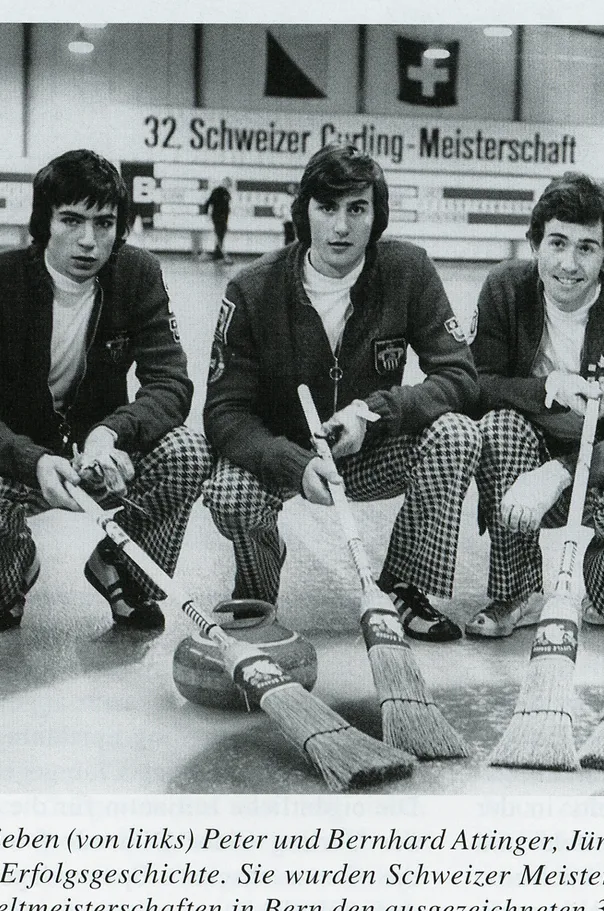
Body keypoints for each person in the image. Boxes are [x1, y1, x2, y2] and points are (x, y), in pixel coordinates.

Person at [202, 144, 480, 642]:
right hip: (282, 454)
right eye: (326, 208)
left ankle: (403, 586)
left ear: (378, 216)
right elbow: (225, 413)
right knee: (228, 493)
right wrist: (295, 465)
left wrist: (373, 413)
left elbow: (458, 376)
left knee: (457, 435)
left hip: (367, 448)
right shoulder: (251, 289)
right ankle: (258, 592)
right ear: (303, 211)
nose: (340, 227)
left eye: (357, 209)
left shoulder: (409, 271)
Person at [0, 149, 211, 633]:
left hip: (102, 455)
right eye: (71, 220)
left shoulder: (138, 274)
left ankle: (119, 569)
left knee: (188, 451)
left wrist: (112, 434)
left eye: (104, 223)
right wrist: (33, 461)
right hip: (23, 457)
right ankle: (16, 559)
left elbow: (171, 381)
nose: (89, 241)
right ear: (44, 221)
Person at [466, 172, 604, 638]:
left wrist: (560, 472)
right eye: (557, 243)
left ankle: (602, 582)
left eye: (587, 247)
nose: (568, 263)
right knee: (498, 427)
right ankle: (515, 590)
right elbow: (476, 385)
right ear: (535, 242)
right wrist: (549, 388)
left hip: (600, 476)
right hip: (524, 465)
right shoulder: (504, 288)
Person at [203, 177, 233, 263]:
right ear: (224, 182)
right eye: (227, 184)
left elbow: (226, 206)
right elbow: (209, 202)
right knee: (219, 235)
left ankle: (218, 254)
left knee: (221, 235)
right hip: (217, 217)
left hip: (224, 218)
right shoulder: (217, 191)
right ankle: (220, 254)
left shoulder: (226, 193)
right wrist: (206, 213)